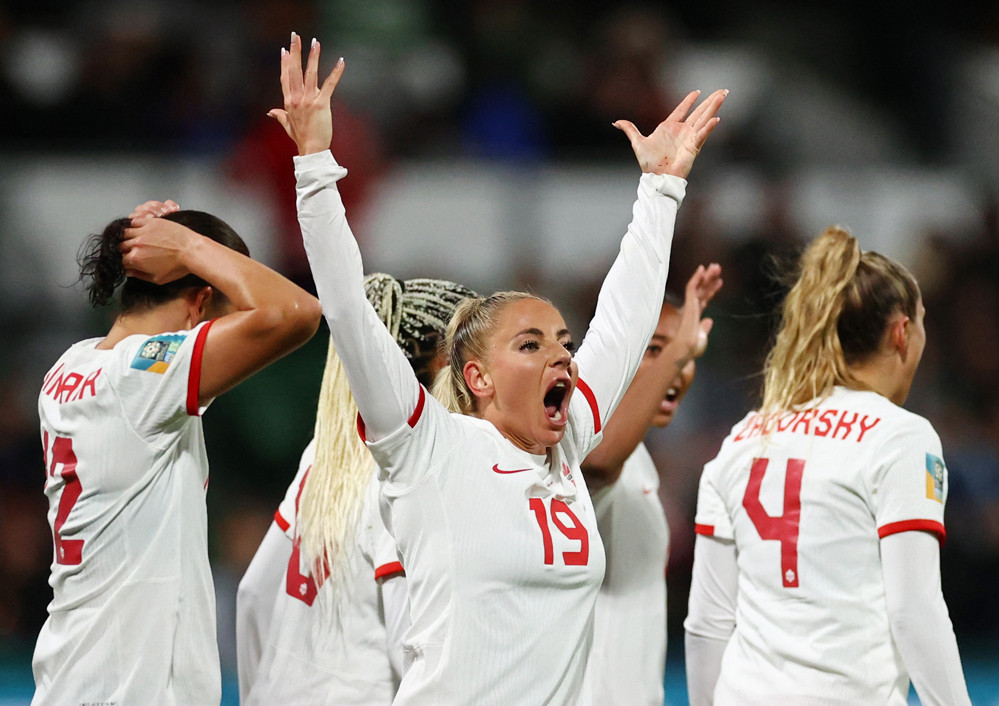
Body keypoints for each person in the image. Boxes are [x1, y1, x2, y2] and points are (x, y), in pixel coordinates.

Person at [271, 32, 726, 704]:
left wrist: (660, 189)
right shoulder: (430, 450)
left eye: (562, 341)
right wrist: (314, 162)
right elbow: (346, 308)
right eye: (530, 344)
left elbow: (623, 323)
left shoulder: (566, 446)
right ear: (478, 378)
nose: (562, 354)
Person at [33, 201, 322, 705]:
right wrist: (188, 244)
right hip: (131, 690)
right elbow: (296, 313)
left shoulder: (71, 365)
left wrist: (169, 235)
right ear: (201, 301)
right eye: (229, 320)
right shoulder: (141, 377)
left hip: (72, 675)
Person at [684, 227, 972, 705]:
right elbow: (913, 610)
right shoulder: (900, 437)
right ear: (902, 332)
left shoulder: (742, 439)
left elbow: (708, 622)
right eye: (922, 323)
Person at [236, 273, 477, 705]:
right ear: (445, 363)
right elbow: (410, 646)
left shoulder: (326, 452)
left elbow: (253, 593)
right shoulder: (410, 471)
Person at [577, 269, 721, 706]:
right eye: (654, 349)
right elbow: (598, 465)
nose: (677, 367)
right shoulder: (581, 439)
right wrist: (678, 350)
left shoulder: (639, 457)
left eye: (686, 351)